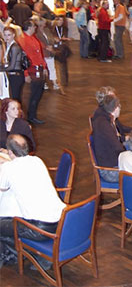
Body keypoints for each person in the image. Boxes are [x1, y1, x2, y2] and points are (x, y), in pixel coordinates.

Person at [0, 134, 66, 268]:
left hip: (39, 229)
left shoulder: (8, 168)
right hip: (61, 220)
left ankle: (35, 254)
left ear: (11, 152)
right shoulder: (37, 160)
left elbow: (3, 187)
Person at [91, 91, 132, 183]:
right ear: (115, 109)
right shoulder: (105, 124)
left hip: (111, 162)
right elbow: (118, 148)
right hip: (110, 171)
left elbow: (115, 141)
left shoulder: (104, 119)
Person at [19, 20, 48, 125]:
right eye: (33, 26)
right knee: (33, 94)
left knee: (38, 92)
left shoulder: (33, 38)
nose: (35, 28)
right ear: (29, 27)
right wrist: (26, 73)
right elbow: (23, 59)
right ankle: (30, 116)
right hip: (32, 70)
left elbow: (39, 53)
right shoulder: (23, 40)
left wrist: (44, 67)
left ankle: (32, 115)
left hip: (38, 68)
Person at [1, 27, 26, 105]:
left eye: (9, 35)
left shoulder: (14, 47)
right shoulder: (9, 45)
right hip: (13, 76)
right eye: (5, 35)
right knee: (14, 99)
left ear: (13, 35)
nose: (6, 37)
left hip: (16, 76)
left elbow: (12, 66)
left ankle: (18, 116)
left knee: (15, 100)